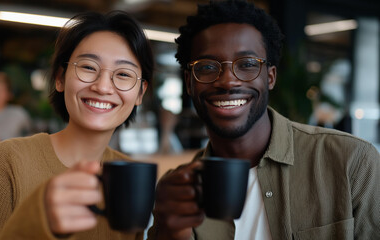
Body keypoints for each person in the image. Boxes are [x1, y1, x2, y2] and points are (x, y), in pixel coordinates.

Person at [147, 1, 380, 240]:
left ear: (270, 77)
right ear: (189, 82)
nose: (228, 81)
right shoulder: (179, 189)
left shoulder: (351, 161)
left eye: (247, 64)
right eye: (207, 67)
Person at [0, 10, 153, 240]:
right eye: (88, 67)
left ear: (140, 93)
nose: (103, 87)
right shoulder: (8, 161)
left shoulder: (131, 176)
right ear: (60, 77)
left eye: (124, 74)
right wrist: (33, 224)